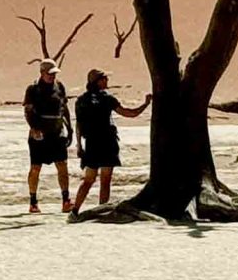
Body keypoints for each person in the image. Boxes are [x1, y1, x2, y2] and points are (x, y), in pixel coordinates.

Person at [71, 69, 151, 214]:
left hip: (91, 144)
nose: (107, 81)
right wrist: (145, 104)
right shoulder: (107, 99)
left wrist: (79, 145)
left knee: (88, 179)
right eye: (104, 79)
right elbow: (129, 113)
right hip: (107, 143)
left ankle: (75, 209)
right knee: (105, 179)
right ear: (98, 81)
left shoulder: (81, 100)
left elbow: (79, 125)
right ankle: (102, 209)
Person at [22, 60, 72, 213]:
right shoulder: (33, 89)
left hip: (57, 133)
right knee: (36, 167)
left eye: (54, 74)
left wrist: (69, 128)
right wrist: (34, 128)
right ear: (42, 73)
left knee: (62, 165)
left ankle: (66, 200)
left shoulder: (60, 87)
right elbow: (28, 111)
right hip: (39, 135)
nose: (52, 76)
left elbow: (64, 108)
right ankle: (33, 201)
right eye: (49, 74)